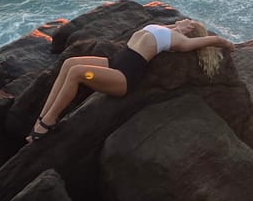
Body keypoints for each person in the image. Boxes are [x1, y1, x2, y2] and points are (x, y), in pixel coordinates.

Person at [27, 19, 234, 142]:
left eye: (192, 23)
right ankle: (42, 117)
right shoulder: (165, 28)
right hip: (113, 63)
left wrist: (226, 43)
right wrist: (177, 25)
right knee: (69, 64)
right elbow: (164, 29)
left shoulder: (180, 40)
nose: (188, 20)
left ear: (192, 30)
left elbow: (212, 40)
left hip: (124, 78)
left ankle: (48, 122)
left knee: (79, 73)